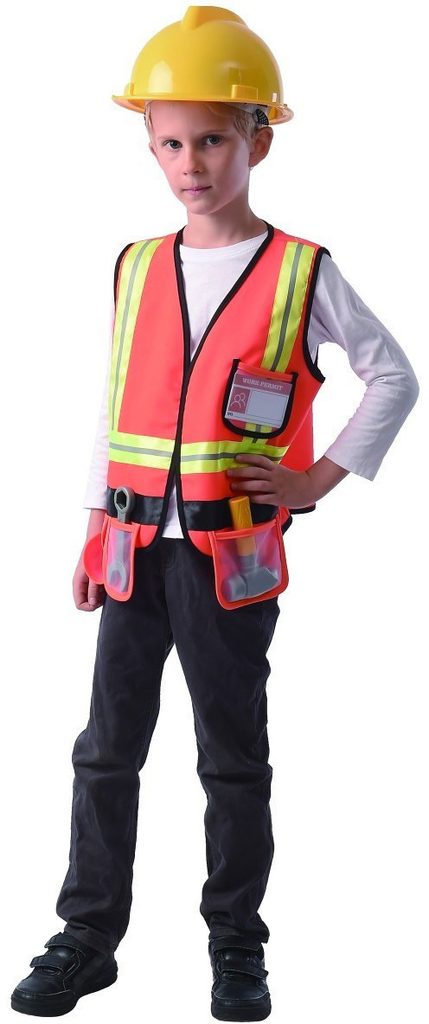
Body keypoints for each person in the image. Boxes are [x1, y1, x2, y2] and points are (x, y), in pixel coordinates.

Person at [10, 5, 419, 1021]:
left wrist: (319, 479)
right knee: (106, 748)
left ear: (257, 142)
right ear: (150, 146)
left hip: (228, 556)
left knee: (231, 756)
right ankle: (87, 937)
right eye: (170, 142)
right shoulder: (136, 264)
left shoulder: (301, 272)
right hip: (131, 547)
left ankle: (237, 943)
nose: (189, 163)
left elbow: (393, 377)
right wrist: (90, 527)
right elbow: (119, 404)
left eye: (212, 140)